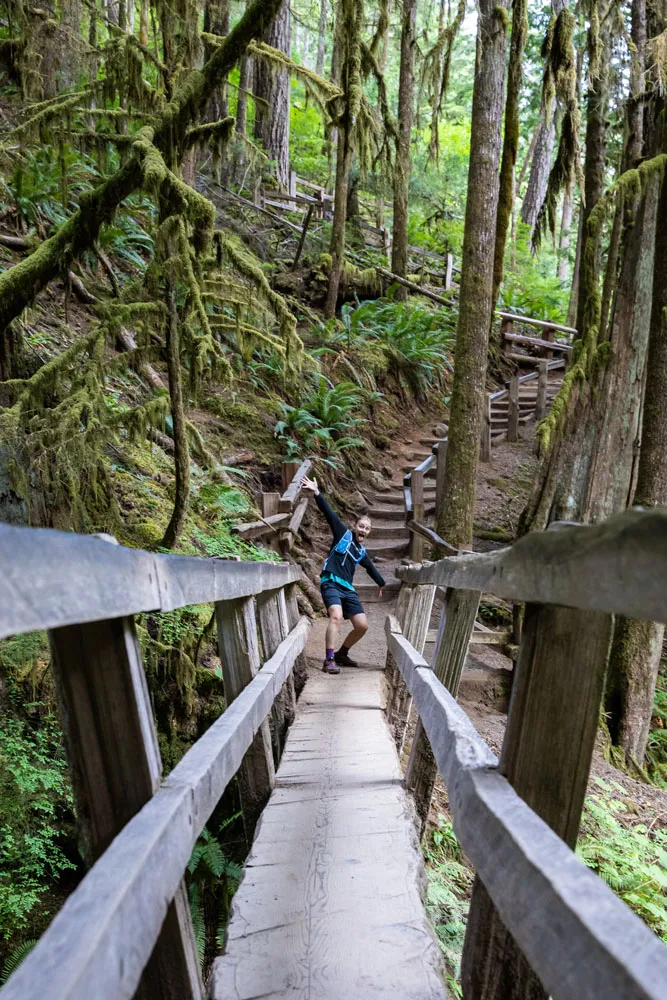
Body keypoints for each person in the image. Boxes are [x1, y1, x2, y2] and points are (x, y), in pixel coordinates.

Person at [301, 474, 385, 674]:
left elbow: (370, 567)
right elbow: (329, 513)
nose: (363, 530)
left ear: (369, 532)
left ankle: (342, 654)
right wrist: (317, 493)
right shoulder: (342, 534)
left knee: (362, 626)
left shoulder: (361, 552)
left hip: (347, 588)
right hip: (330, 582)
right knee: (336, 617)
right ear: (355, 527)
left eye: (367, 528)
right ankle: (329, 660)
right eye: (361, 526)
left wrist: (381, 583)